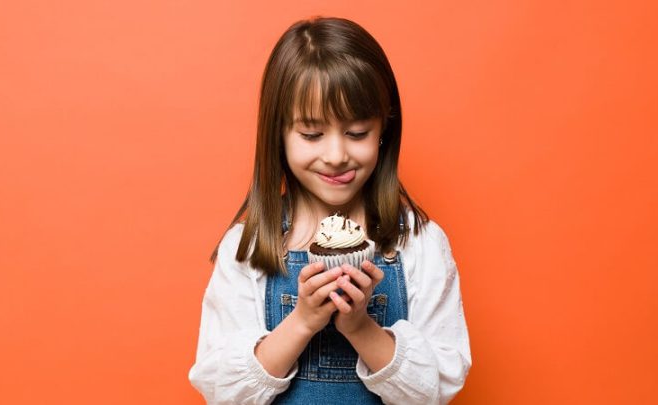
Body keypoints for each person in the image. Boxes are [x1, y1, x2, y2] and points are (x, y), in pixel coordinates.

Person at [189, 16, 471, 404]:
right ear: (279, 134)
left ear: (384, 130)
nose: (336, 156)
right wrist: (303, 321)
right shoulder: (250, 247)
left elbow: (434, 392)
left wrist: (360, 327)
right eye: (311, 135)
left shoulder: (418, 244)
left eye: (357, 133)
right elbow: (225, 394)